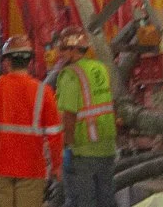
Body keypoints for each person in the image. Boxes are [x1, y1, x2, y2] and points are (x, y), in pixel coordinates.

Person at [0, 39, 60, 207]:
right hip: (32, 169)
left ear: (7, 62)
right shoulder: (43, 91)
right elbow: (54, 133)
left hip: (2, 167)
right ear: (30, 62)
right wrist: (56, 166)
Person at [48, 28, 118, 207]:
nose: (60, 54)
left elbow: (68, 116)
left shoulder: (70, 74)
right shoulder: (100, 68)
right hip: (107, 148)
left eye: (63, 49)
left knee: (80, 202)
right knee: (106, 201)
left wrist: (65, 148)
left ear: (73, 50)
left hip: (82, 151)